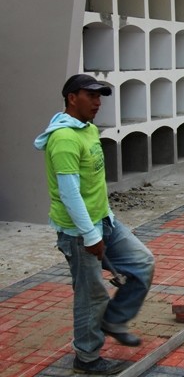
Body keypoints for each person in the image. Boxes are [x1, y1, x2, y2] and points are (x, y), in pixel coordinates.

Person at [34, 74, 155, 375]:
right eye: (91, 96)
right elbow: (69, 192)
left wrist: (102, 224)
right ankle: (86, 358)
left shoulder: (87, 129)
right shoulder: (63, 139)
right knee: (91, 295)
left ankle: (114, 319)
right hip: (79, 232)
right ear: (72, 98)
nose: (98, 103)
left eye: (100, 97)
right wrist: (90, 235)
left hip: (104, 221)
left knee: (142, 262)